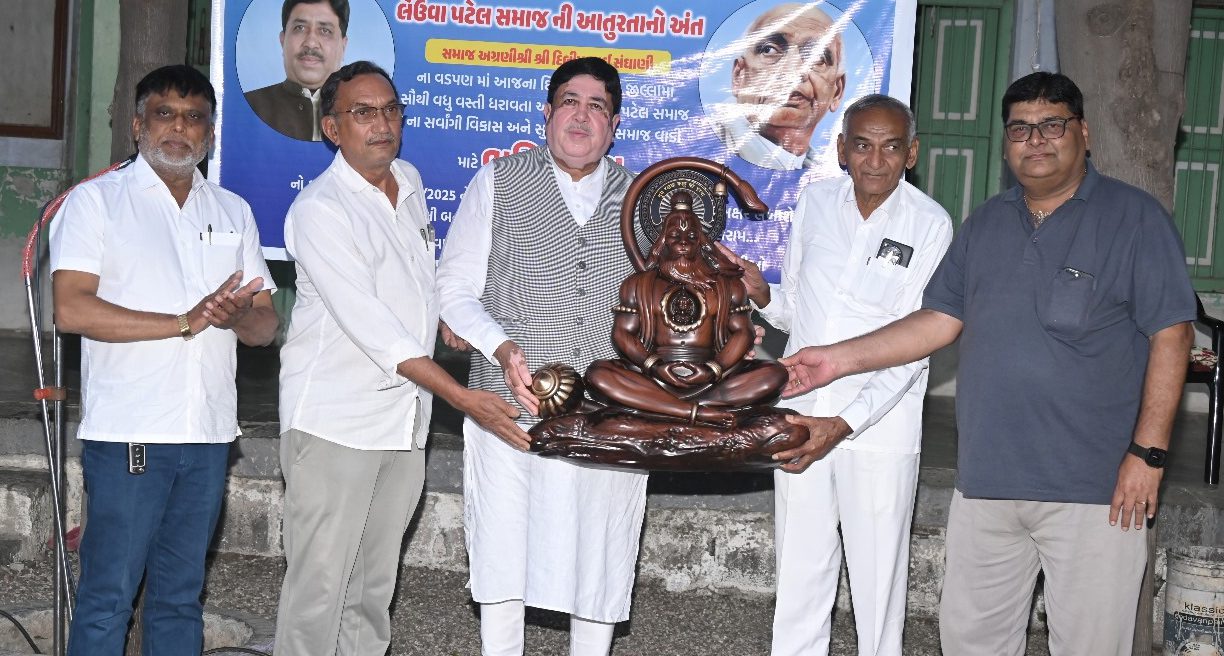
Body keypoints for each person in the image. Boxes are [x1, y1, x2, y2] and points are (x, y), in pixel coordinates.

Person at [779, 72, 1197, 656]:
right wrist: (835, 360)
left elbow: (1172, 335)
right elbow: (936, 322)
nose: (1036, 140)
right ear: (1006, 143)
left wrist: (1148, 455)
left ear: (1084, 133)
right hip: (986, 488)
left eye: (1052, 126)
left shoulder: (1134, 219)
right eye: (1021, 129)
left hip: (1094, 490)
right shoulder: (987, 223)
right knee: (970, 643)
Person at [274, 60, 527, 655]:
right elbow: (377, 331)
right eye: (363, 112)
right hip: (335, 425)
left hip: (404, 422)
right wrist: (463, 398)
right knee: (319, 594)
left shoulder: (407, 181)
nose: (382, 124)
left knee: (372, 590)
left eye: (390, 110)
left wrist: (442, 317)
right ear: (333, 129)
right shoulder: (320, 209)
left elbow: (413, 282)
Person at [50, 64, 278, 655]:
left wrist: (235, 316)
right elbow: (70, 309)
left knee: (180, 598)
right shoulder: (96, 202)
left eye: (194, 118)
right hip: (130, 432)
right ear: (137, 125)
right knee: (108, 599)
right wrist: (183, 322)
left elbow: (264, 327)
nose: (179, 128)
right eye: (165, 114)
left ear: (210, 134)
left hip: (207, 435)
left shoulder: (233, 210)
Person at [722, 94, 952, 656]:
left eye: (891, 147)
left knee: (877, 588)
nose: (876, 160)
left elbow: (915, 347)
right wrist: (764, 295)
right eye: (863, 145)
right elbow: (797, 311)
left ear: (912, 153)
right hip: (801, 414)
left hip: (879, 429)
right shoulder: (817, 202)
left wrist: (846, 422)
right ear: (842, 149)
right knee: (799, 575)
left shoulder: (931, 224)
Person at [435, 56, 647, 656]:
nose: (582, 117)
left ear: (614, 125)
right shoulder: (498, 180)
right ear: (548, 113)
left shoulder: (642, 198)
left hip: (609, 411)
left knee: (600, 550)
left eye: (597, 107)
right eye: (570, 102)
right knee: (504, 549)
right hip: (510, 407)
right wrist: (501, 348)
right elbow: (454, 289)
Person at [585, 191, 787, 425]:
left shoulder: (727, 286)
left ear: (701, 241)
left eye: (691, 235)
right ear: (662, 240)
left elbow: (743, 332)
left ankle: (657, 408)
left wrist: (713, 369)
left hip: (712, 380)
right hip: (653, 377)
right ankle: (697, 413)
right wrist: (654, 366)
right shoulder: (637, 285)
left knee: (775, 374)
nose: (683, 242)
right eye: (674, 235)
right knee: (598, 373)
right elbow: (622, 333)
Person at [713, 2, 846, 171]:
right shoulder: (704, 146)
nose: (792, 71)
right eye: (769, 50)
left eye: (817, 57)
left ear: (837, 92)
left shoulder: (827, 175)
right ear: (738, 76)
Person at [245, 0, 348, 141]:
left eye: (325, 30)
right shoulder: (248, 107)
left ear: (343, 47)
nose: (311, 43)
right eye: (300, 28)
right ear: (283, 41)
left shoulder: (365, 112)